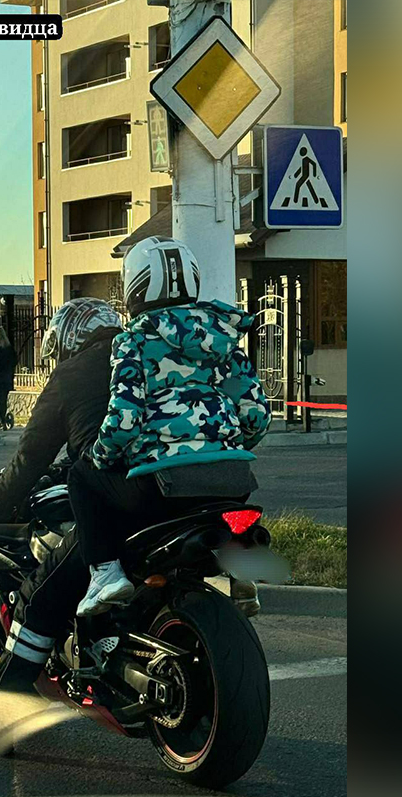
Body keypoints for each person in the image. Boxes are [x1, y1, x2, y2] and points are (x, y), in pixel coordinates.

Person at [0, 298, 124, 750]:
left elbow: (29, 460)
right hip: (196, 495)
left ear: (69, 341)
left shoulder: (74, 374)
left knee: (39, 599)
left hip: (121, 500)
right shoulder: (143, 359)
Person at [73, 236, 272, 616]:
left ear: (134, 287)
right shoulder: (223, 338)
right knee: (225, 505)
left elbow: (124, 419)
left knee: (82, 476)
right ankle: (240, 560)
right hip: (233, 479)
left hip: (160, 486)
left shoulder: (133, 340)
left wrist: (101, 454)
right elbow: (257, 414)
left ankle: (106, 574)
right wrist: (224, 447)